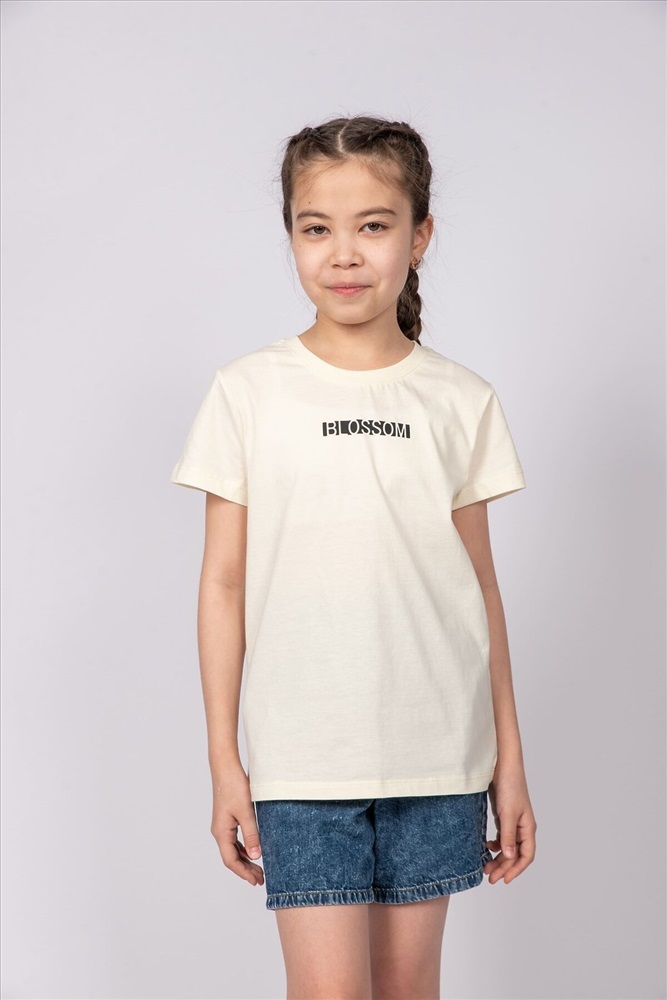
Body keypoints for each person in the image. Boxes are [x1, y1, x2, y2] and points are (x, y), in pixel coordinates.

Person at [170, 114, 537, 1000]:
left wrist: (509, 764)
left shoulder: (459, 399)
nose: (343, 254)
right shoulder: (247, 392)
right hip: (302, 763)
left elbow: (479, 593)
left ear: (420, 235)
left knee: (409, 989)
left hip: (440, 758)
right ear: (290, 237)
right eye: (316, 228)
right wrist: (224, 759)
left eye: (373, 225)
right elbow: (223, 584)